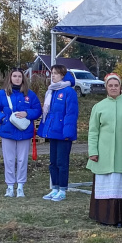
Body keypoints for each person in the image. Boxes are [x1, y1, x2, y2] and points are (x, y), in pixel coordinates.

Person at [86, 73, 122, 225]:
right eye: (111, 85)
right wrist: (93, 151)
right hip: (104, 152)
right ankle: (103, 216)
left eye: (116, 85)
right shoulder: (99, 106)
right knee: (105, 183)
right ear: (106, 88)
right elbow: (93, 131)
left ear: (120, 87)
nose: (114, 88)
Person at [0, 68, 42, 197]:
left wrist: (27, 113)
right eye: (14, 76)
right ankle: (10, 186)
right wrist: (2, 118)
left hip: (24, 132)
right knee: (9, 160)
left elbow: (38, 110)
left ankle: (21, 186)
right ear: (10, 78)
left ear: (23, 78)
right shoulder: (2, 94)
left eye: (19, 76)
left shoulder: (30, 95)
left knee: (23, 160)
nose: (17, 78)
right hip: (8, 131)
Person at [37, 65, 78, 202]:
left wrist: (67, 132)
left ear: (63, 75)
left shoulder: (68, 92)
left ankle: (62, 189)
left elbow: (71, 113)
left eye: (56, 73)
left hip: (63, 133)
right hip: (53, 132)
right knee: (53, 162)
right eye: (52, 73)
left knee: (62, 162)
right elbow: (49, 113)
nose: (53, 76)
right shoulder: (52, 91)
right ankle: (54, 188)